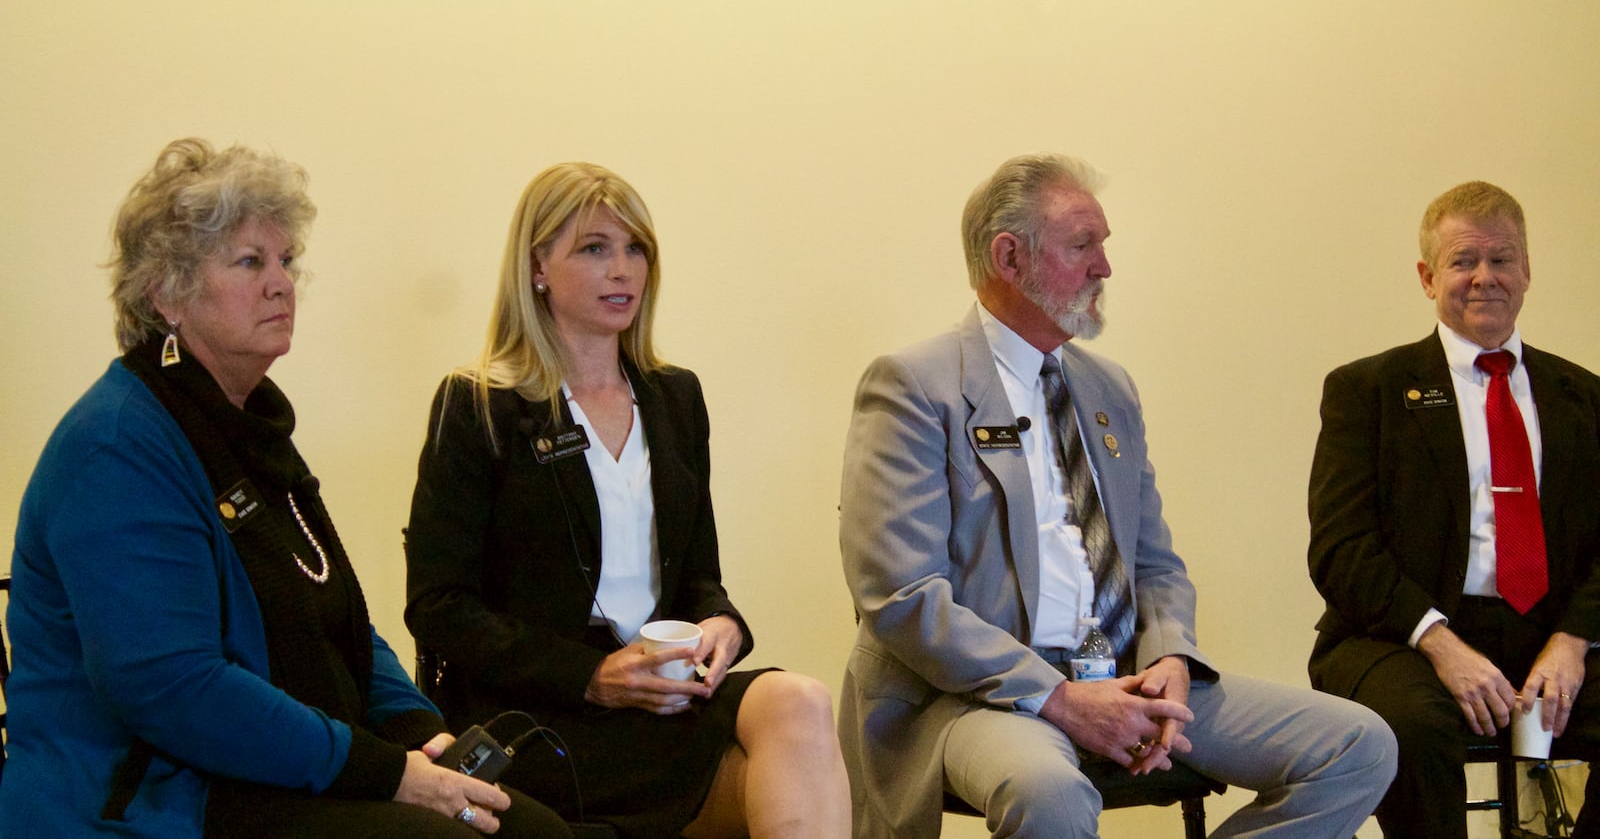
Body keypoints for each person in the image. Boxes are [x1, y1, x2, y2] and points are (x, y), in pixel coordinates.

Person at [0, 138, 571, 838]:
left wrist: (420, 731)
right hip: (157, 799)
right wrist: (385, 772)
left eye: (285, 261)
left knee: (532, 828)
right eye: (249, 262)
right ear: (166, 293)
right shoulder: (117, 448)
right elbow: (173, 689)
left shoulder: (248, 427)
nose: (281, 283)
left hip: (258, 770)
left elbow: (335, 623)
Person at [837, 152, 1397, 838]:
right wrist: (1060, 698)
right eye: (1083, 246)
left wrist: (1168, 657)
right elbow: (901, 595)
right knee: (1051, 794)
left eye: (1103, 245)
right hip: (977, 697)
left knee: (1357, 746)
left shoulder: (1110, 389)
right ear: (1009, 258)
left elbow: (1155, 564)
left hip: (1124, 672)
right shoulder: (913, 385)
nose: (1105, 267)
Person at [403, 161, 850, 838]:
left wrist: (722, 624)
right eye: (594, 248)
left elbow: (700, 577)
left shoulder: (675, 397)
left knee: (801, 701)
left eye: (635, 248)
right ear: (537, 268)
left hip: (663, 701)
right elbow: (438, 608)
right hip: (545, 716)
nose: (623, 270)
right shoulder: (479, 406)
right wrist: (592, 677)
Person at [1308, 180, 1600, 837]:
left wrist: (1573, 641)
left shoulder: (1583, 396)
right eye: (1464, 261)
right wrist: (1442, 645)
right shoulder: (1368, 391)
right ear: (1428, 275)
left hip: (1548, 636)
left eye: (1501, 259)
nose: (1484, 278)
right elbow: (1341, 549)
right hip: (1400, 636)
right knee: (1412, 728)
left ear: (1527, 269)